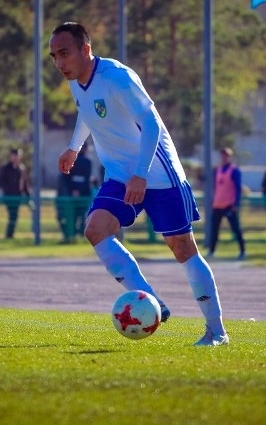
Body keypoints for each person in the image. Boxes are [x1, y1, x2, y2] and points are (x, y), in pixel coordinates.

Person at [50, 21, 228, 346]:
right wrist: (74, 147)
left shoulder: (118, 77)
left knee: (182, 248)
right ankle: (152, 301)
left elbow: (151, 123)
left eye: (64, 54)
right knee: (95, 230)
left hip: (158, 173)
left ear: (85, 49)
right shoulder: (76, 81)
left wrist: (142, 173)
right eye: (54, 57)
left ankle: (216, 332)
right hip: (120, 174)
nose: (60, 63)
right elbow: (87, 112)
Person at [207, 147, 246, 260]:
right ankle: (211, 251)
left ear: (230, 157)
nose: (224, 158)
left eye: (226, 155)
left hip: (229, 205)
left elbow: (238, 188)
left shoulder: (234, 170)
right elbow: (216, 187)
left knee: (236, 229)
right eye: (222, 155)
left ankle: (242, 251)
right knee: (214, 229)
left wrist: (236, 203)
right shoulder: (218, 170)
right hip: (217, 204)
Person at [57, 146, 93, 242]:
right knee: (79, 215)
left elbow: (67, 178)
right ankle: (77, 235)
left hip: (74, 194)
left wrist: (74, 190)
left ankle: (74, 236)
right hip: (80, 194)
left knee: (76, 216)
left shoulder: (85, 161)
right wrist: (77, 190)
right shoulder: (85, 161)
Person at [0, 148, 30, 239]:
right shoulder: (6, 169)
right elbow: (0, 182)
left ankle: (10, 234)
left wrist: (28, 196)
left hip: (17, 196)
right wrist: (8, 189)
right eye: (14, 156)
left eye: (17, 156)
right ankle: (9, 235)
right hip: (9, 196)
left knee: (14, 215)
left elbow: (25, 184)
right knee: (12, 214)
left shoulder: (21, 169)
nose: (16, 158)